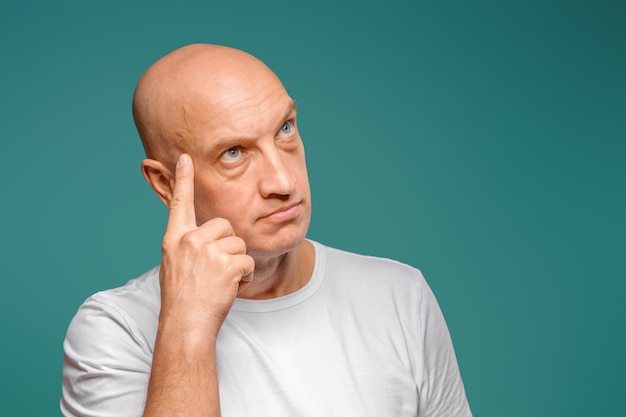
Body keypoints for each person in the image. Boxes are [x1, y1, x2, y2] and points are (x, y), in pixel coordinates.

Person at [61, 44, 472, 417]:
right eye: (234, 153)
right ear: (166, 184)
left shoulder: (401, 296)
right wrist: (189, 325)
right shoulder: (115, 331)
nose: (283, 181)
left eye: (285, 130)